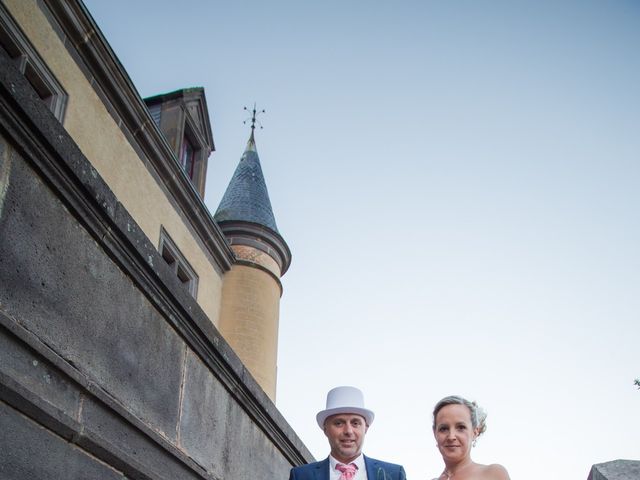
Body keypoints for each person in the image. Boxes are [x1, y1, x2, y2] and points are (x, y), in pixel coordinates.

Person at [289, 386, 406, 480]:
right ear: (325, 429)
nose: (348, 431)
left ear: (365, 428)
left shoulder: (394, 475)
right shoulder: (301, 476)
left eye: (355, 423)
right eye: (339, 423)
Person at [432, 396, 510, 480]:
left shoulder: (493, 474)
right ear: (435, 433)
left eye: (461, 427)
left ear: (475, 432)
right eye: (443, 429)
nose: (451, 437)